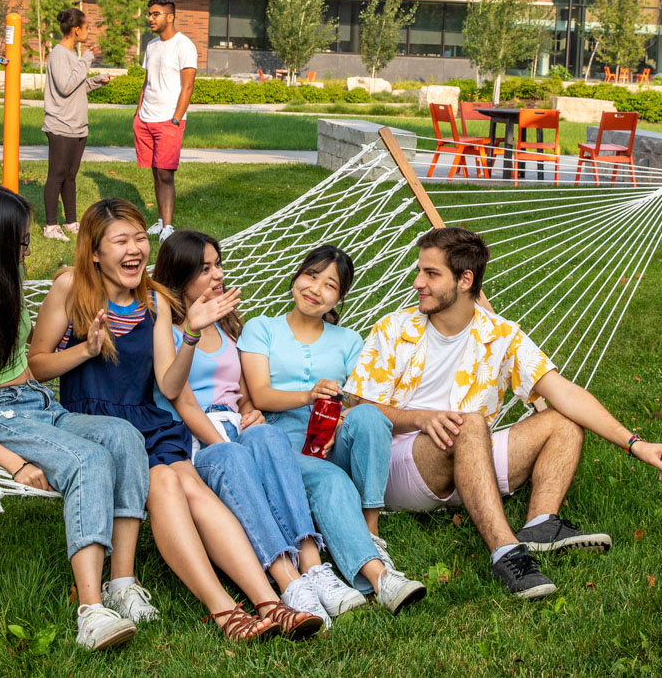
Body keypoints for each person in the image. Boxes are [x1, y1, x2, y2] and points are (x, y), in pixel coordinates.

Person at [29, 198, 322, 642]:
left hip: (149, 420)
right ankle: (225, 611)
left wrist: (190, 335)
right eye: (120, 240)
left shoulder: (154, 301)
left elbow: (169, 385)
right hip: (94, 421)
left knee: (190, 485)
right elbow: (37, 364)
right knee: (167, 484)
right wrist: (86, 350)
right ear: (93, 250)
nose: (135, 249)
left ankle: (268, 602)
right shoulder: (71, 288)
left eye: (139, 238)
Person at [345, 226, 662, 600]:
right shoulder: (394, 328)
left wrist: (636, 444)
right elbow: (361, 408)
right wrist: (421, 417)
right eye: (420, 271)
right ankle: (506, 551)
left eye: (430, 273)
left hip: (470, 457)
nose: (417, 282)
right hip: (400, 463)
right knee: (470, 422)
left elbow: (564, 392)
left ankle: (540, 524)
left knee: (562, 420)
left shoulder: (501, 334)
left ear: (465, 279)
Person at [0, 185, 152, 653]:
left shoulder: (7, 284)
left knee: (124, 437)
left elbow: (26, 364)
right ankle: (90, 611)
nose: (28, 249)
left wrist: (83, 350)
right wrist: (14, 464)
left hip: (39, 404)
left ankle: (120, 583)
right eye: (22, 241)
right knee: (88, 461)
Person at [154, 231, 426, 624]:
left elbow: (244, 393)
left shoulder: (231, 322)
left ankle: (345, 551)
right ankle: (329, 577)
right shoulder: (192, 323)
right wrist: (282, 406)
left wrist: (256, 413)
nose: (217, 274)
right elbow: (183, 393)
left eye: (218, 264)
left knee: (347, 424)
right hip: (229, 437)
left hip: (276, 431)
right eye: (205, 268)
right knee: (316, 475)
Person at [238, 246, 420, 598]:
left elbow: (359, 398)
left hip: (331, 435)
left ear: (340, 296)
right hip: (281, 439)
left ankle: (371, 532)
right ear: (297, 276)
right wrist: (308, 395)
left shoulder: (349, 340)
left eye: (329, 284)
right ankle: (378, 577)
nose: (315, 289)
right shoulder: (262, 328)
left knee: (369, 416)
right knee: (330, 479)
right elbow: (259, 394)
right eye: (311, 275)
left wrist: (344, 417)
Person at [132, 0, 196, 241]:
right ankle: (160, 221)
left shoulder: (184, 45)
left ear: (170, 16)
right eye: (150, 14)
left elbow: (187, 87)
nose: (150, 18)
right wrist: (138, 114)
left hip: (169, 120)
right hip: (146, 119)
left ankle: (168, 226)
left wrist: (176, 119)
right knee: (155, 172)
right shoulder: (151, 46)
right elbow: (146, 82)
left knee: (166, 174)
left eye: (155, 14)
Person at [42, 6, 104, 243]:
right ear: (77, 30)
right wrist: (87, 59)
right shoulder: (59, 54)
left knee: (70, 176)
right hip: (61, 125)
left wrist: (97, 81)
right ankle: (50, 226)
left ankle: (70, 222)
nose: (88, 31)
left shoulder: (71, 56)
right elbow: (66, 86)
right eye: (86, 27)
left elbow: (77, 86)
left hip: (77, 126)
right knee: (56, 175)